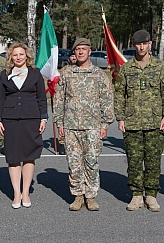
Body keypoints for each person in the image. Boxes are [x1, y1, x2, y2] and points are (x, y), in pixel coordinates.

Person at [114, 30, 164, 212]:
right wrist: (120, 117)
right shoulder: (127, 68)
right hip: (132, 123)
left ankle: (152, 196)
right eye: (138, 44)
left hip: (154, 122)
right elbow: (119, 94)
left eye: (144, 43)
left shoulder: (160, 67)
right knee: (134, 161)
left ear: (150, 44)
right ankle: (137, 195)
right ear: (134, 45)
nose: (141, 47)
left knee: (154, 161)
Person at [53, 37, 114, 211]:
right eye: (77, 49)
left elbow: (107, 99)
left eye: (84, 49)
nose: (80, 52)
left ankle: (91, 195)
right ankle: (78, 195)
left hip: (93, 126)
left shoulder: (99, 74)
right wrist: (59, 122)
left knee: (91, 161)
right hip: (71, 126)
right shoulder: (66, 73)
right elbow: (59, 99)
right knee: (73, 162)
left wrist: (105, 124)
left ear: (89, 52)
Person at [0, 42, 48, 208]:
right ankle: (16, 193)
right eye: (15, 55)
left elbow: (41, 97)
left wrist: (44, 118)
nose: (18, 57)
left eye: (21, 54)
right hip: (10, 120)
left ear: (27, 56)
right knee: (13, 157)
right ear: (11, 57)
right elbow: (1, 98)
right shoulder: (5, 75)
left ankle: (26, 192)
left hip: (31, 119)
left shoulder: (35, 74)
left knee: (29, 155)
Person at [56, 49, 77, 156]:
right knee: (63, 122)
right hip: (65, 101)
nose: (73, 57)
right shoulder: (64, 70)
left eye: (75, 55)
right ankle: (62, 144)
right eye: (71, 56)